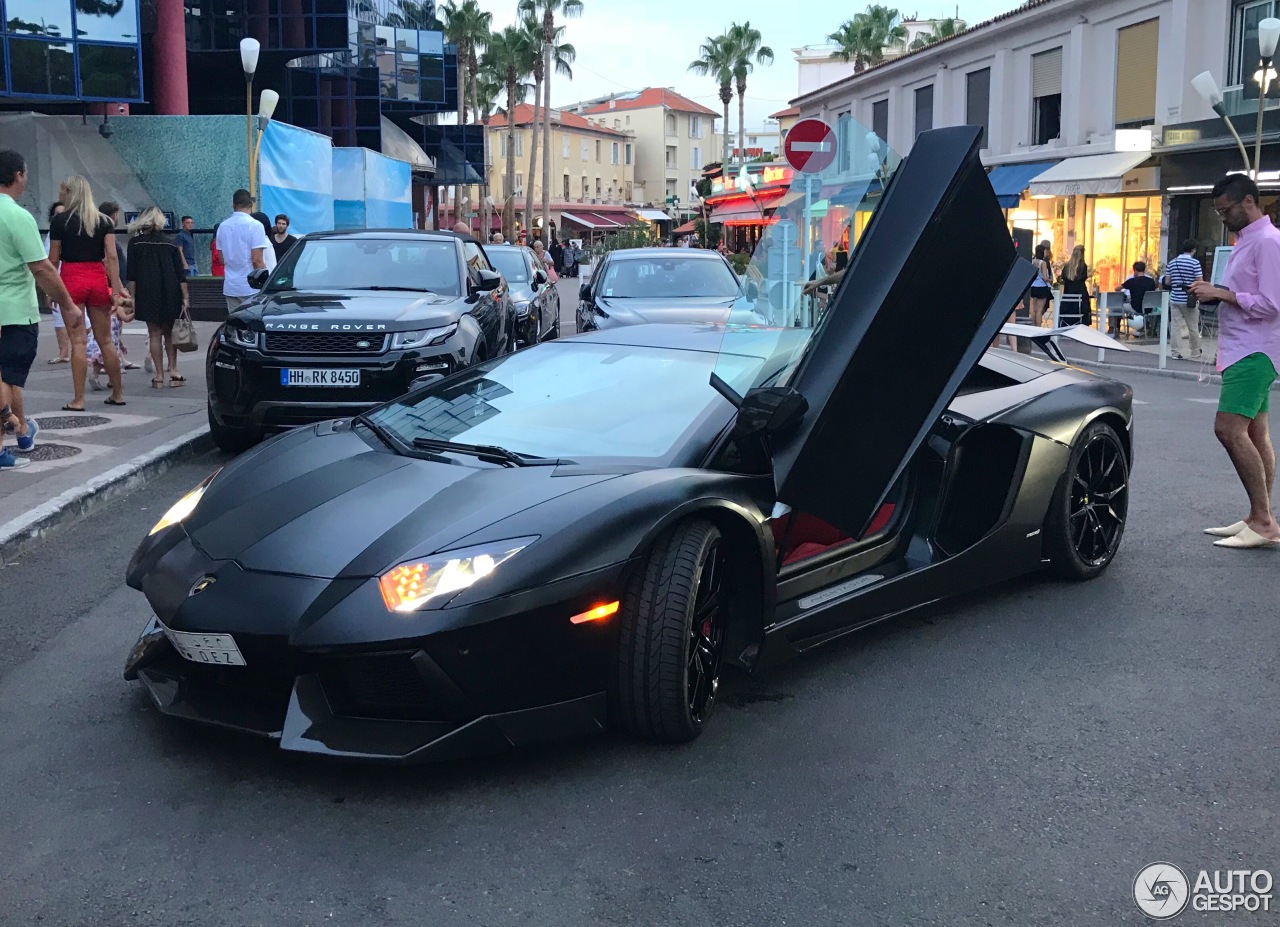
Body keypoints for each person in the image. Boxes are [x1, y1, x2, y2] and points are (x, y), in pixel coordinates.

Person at [1191, 174, 1280, 549]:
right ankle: (1260, 516)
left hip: (1254, 349)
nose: (1222, 218)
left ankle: (1263, 521)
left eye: (1225, 211)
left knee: (1228, 430)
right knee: (1257, 433)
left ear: (1248, 202)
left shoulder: (1268, 242)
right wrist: (1219, 296)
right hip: (1246, 348)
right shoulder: (1248, 241)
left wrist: (1222, 294)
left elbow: (1272, 303)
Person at [0, 150, 84, 469]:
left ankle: (21, 430)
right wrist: (67, 304)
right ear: (18, 176)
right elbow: (43, 268)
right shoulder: (17, 217)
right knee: (10, 379)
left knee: (5, 378)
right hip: (16, 311)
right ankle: (7, 444)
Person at [48, 175, 125, 409]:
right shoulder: (103, 222)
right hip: (97, 278)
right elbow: (111, 256)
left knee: (78, 342)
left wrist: (51, 289)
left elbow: (53, 259)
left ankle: (78, 399)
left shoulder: (59, 221)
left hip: (71, 279)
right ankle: (118, 394)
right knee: (106, 340)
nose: (60, 195)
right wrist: (116, 291)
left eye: (63, 191)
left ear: (70, 193)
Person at [127, 207, 188, 390]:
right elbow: (180, 274)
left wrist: (132, 298)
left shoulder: (135, 243)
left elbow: (132, 274)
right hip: (171, 289)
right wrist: (185, 297)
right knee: (169, 332)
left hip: (147, 290)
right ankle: (174, 371)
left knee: (154, 332)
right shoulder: (170, 243)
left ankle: (159, 376)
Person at [99, 201, 139, 370]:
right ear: (113, 215)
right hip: (111, 286)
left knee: (115, 325)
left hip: (114, 283)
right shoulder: (106, 235)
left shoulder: (106, 233)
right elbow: (109, 261)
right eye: (116, 214)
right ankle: (107, 361)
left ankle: (120, 357)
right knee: (112, 323)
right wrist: (119, 287)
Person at [216, 189, 270, 312]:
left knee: (235, 325)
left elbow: (221, 259)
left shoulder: (222, 227)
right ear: (251, 204)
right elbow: (257, 261)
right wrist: (267, 284)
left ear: (233, 204)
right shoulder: (255, 225)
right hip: (251, 288)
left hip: (231, 286)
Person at [1166, 239, 1205, 359]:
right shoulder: (1195, 263)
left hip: (1175, 298)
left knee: (1175, 326)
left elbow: (1167, 281)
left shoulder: (1172, 263)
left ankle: (1175, 352)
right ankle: (1195, 351)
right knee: (1192, 326)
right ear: (1193, 249)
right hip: (1190, 299)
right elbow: (1200, 281)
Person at [44, 201, 72, 364]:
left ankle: (91, 344)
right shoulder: (51, 235)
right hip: (59, 277)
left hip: (71, 276)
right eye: (57, 214)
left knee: (79, 316)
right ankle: (63, 352)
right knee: (58, 315)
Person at [1120, 261, 1158, 338]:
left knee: (1115, 308)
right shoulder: (1151, 281)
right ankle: (1143, 328)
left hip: (1136, 307)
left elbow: (1117, 288)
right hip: (1149, 308)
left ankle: (1114, 329)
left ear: (1135, 270)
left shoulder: (1132, 281)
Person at [1059, 245, 1093, 327]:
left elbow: (1063, 277)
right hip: (1080, 293)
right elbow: (1082, 278)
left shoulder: (1067, 266)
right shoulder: (1082, 266)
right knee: (1083, 308)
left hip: (1068, 293)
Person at [1029, 244, 1054, 327]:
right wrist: (1050, 280)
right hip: (1041, 288)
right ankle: (1038, 328)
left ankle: (1032, 326)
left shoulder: (1032, 261)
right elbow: (1045, 277)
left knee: (1033, 310)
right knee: (1039, 310)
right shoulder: (1042, 263)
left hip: (1033, 287)